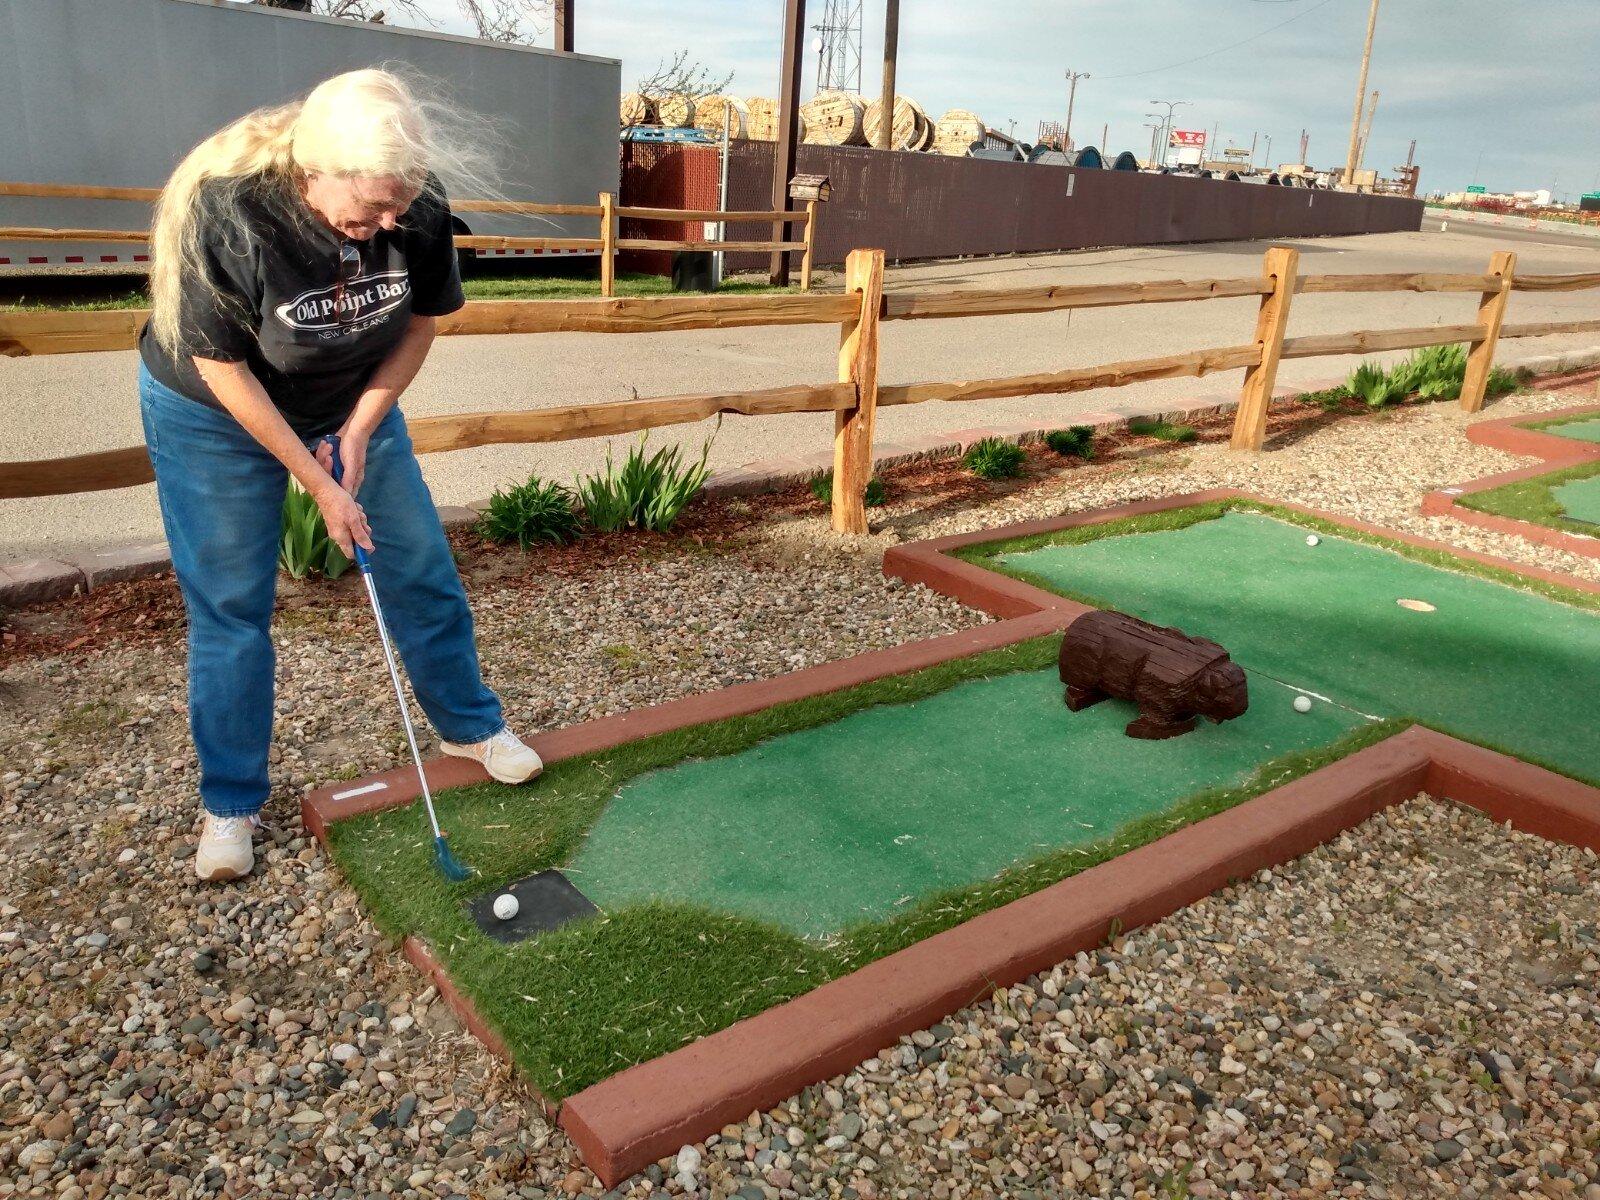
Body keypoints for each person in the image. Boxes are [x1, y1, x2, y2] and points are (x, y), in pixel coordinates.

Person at [140, 68, 540, 883]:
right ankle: (231, 804)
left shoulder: (413, 205)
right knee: (231, 606)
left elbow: (420, 325)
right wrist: (317, 482)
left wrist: (357, 433)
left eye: (401, 205)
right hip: (217, 412)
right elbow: (220, 367)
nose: (389, 225)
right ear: (310, 174)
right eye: (372, 210)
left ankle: (467, 725)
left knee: (420, 567)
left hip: (350, 401)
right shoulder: (233, 214)